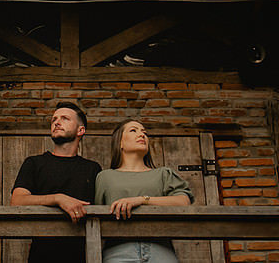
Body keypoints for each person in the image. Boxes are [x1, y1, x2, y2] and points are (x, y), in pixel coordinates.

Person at [11, 101, 103, 262]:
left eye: (65, 118)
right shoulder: (34, 163)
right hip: (42, 254)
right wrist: (58, 198)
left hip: (83, 255)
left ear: (81, 130)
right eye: (54, 119)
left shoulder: (92, 169)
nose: (57, 122)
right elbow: (17, 201)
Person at [94, 119, 193, 263]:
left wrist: (141, 200)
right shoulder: (105, 177)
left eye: (144, 133)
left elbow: (183, 202)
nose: (142, 135)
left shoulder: (163, 174)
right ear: (119, 143)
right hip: (118, 250)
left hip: (160, 248)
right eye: (134, 130)